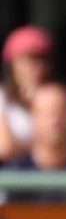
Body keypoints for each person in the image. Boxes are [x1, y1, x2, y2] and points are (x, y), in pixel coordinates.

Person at [0, 26, 54, 163]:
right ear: (11, 65)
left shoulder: (56, 97)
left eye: (38, 60)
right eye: (23, 61)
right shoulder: (2, 97)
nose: (32, 67)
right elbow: (5, 147)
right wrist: (45, 147)